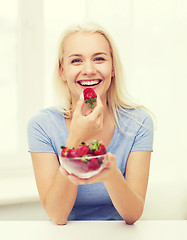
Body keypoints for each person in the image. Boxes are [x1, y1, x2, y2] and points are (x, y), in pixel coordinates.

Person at [27, 22, 154, 225]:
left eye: (99, 59)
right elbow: (58, 216)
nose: (88, 70)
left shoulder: (138, 123)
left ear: (112, 68)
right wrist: (76, 139)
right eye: (76, 60)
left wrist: (111, 174)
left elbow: (132, 215)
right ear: (62, 71)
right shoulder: (41, 126)